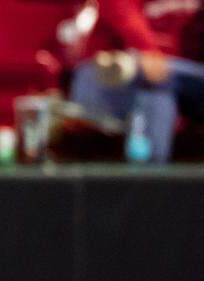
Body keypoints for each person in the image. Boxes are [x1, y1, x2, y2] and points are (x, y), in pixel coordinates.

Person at [69, 0, 204, 162]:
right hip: (105, 76)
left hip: (172, 83)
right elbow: (123, 13)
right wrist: (147, 50)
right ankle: (149, 179)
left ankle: (150, 178)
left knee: (159, 93)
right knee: (154, 85)